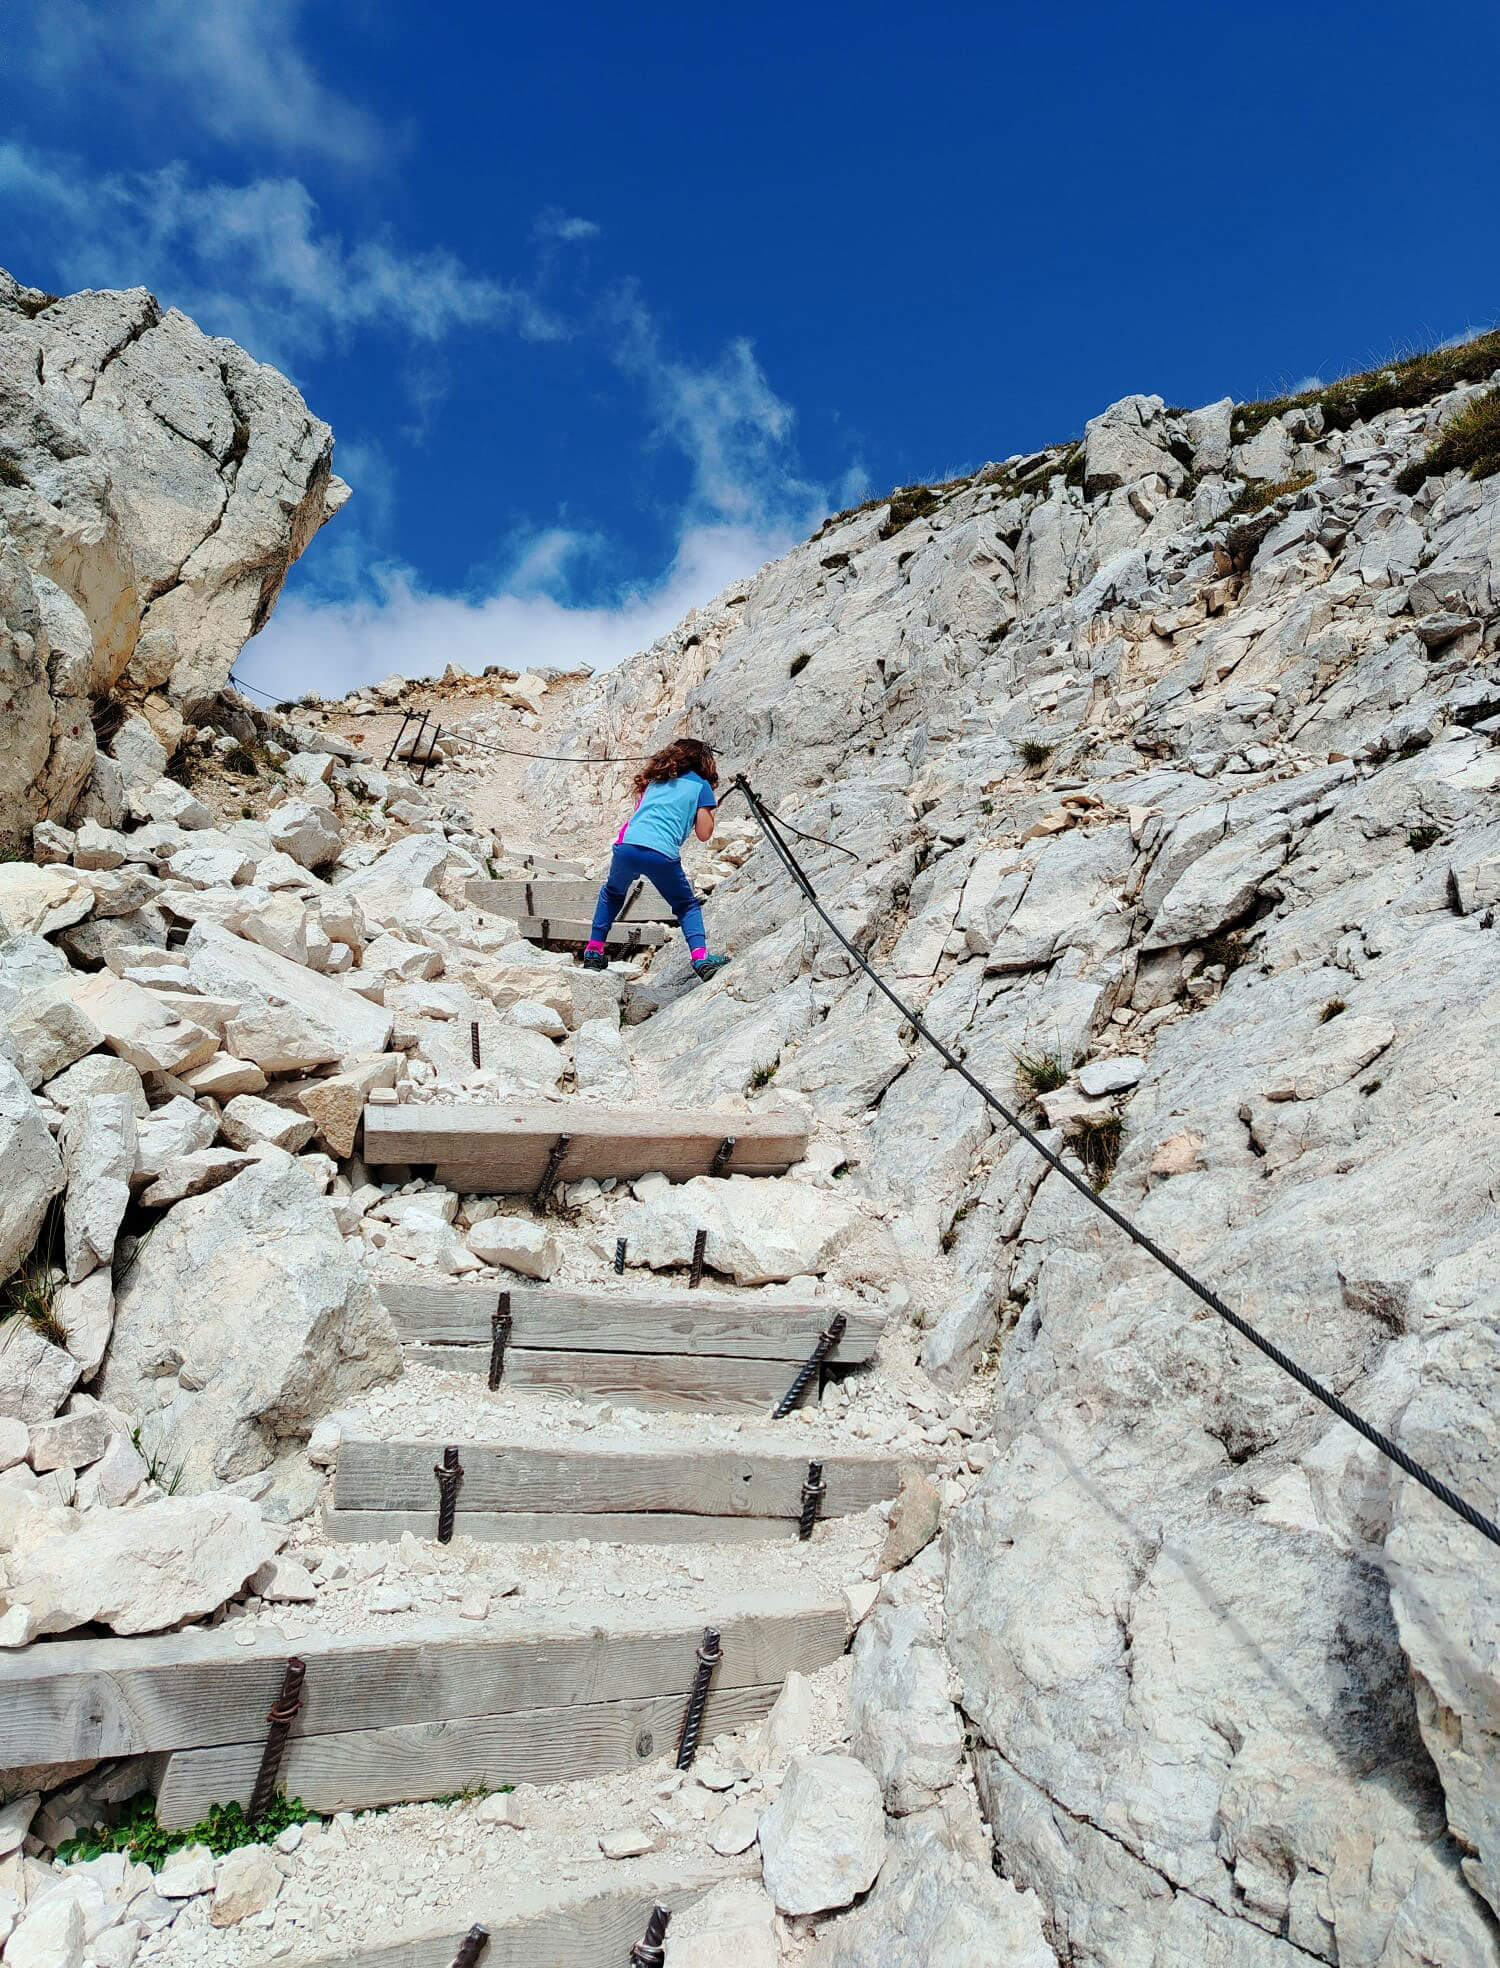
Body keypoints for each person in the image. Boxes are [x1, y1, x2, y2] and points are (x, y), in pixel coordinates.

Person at [581, 738, 730, 978]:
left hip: (627, 845)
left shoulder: (656, 782)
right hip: (661, 853)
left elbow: (638, 815)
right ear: (705, 762)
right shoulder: (701, 786)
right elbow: (704, 834)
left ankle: (594, 951)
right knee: (686, 905)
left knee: (612, 894)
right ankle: (701, 958)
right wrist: (710, 808)